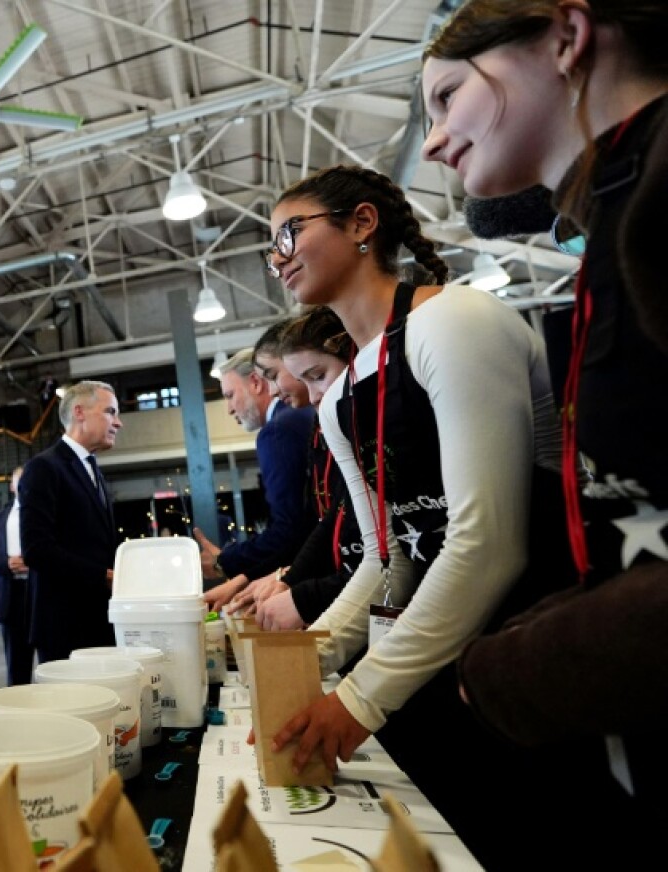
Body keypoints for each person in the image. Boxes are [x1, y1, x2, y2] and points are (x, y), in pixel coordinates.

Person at [263, 163, 628, 869]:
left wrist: (362, 697)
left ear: (362, 224)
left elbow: (488, 542)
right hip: (441, 648)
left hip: (533, 639)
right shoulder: (341, 400)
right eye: (268, 246)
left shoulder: (452, 322)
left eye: (288, 232)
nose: (278, 258)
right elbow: (385, 555)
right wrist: (314, 657)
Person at [422, 0, 668, 835]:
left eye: (447, 96)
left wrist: (519, 668)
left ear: (567, 37)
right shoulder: (620, 212)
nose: (431, 139)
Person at [233, 309, 363, 631]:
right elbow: (335, 515)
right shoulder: (321, 421)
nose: (275, 390)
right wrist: (287, 579)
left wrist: (297, 588)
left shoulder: (286, 426)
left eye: (317, 376)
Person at [199, 348, 316, 610]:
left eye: (230, 395)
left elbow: (291, 530)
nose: (229, 409)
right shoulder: (300, 416)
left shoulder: (278, 431)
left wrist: (225, 561)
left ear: (255, 382)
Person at [19, 381, 121, 663]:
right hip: (63, 625)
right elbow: (36, 549)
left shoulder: (93, 470)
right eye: (110, 412)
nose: (119, 423)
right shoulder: (44, 468)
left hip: (97, 620)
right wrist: (104, 575)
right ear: (79, 412)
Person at [0, 466, 35, 684]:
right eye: (18, 481)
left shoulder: (47, 514)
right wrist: (6, 563)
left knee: (53, 660)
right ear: (12, 486)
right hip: (9, 597)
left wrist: (33, 563)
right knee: (16, 663)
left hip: (40, 594)